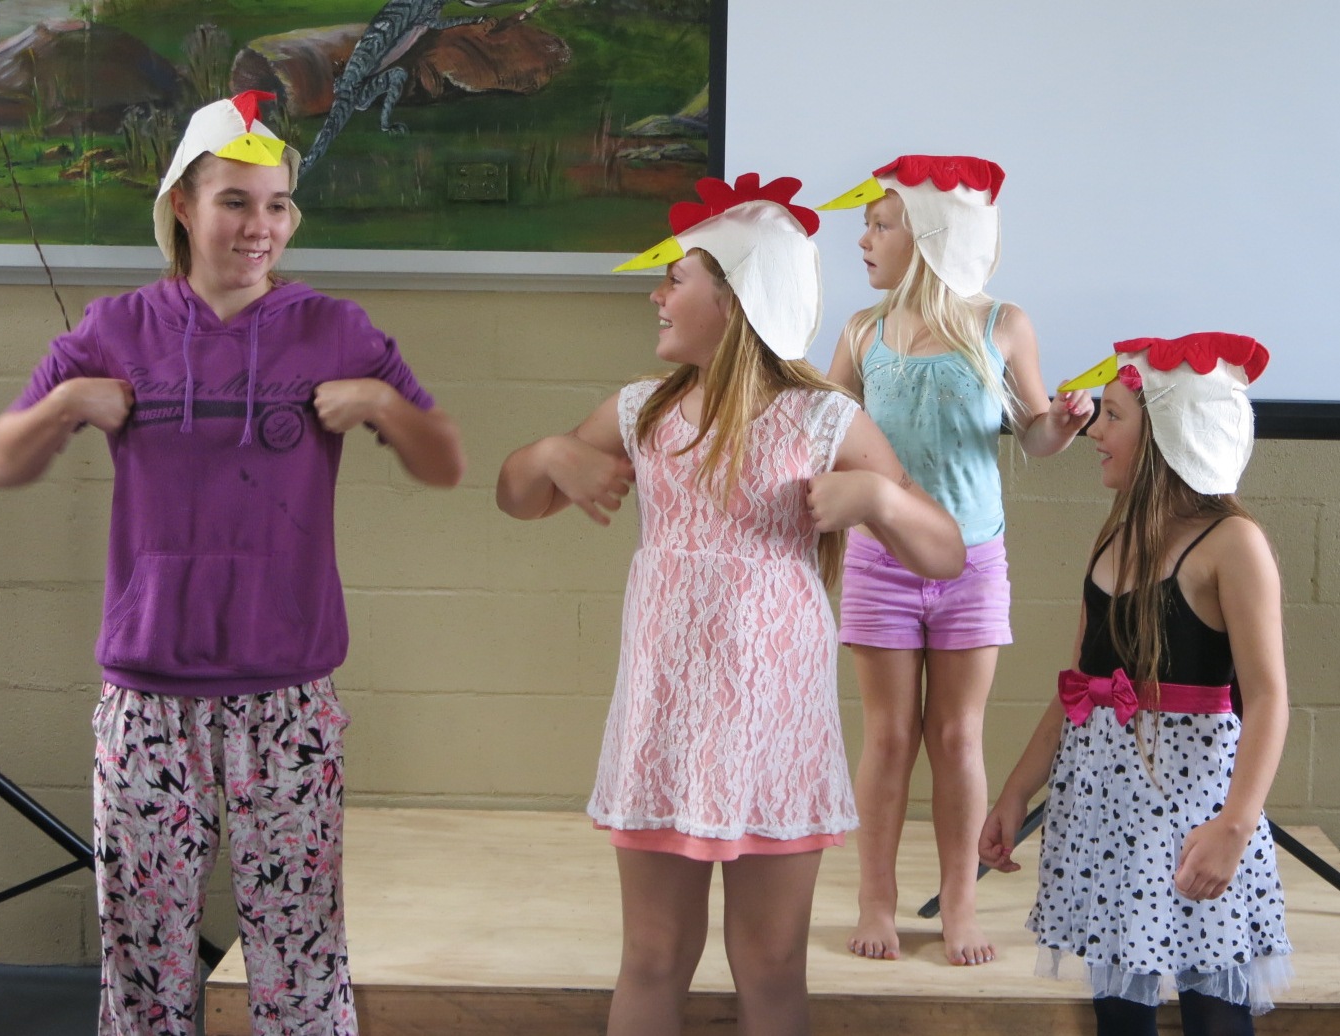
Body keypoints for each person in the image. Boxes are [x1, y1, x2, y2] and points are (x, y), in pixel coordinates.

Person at [0, 90, 465, 1036]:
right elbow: (4, 459)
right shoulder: (116, 324)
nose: (259, 226)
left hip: (289, 694)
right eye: (235, 201)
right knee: (142, 953)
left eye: (277, 204)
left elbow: (443, 461)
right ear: (182, 206)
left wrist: (380, 402)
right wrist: (69, 403)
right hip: (147, 693)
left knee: (300, 950)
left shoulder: (333, 327)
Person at [496, 173, 965, 1036]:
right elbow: (516, 497)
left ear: (736, 299)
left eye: (674, 279)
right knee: (652, 956)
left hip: (774, 734)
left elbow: (943, 555)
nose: (656, 294)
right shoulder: (643, 412)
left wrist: (880, 500)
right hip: (665, 729)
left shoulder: (823, 420)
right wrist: (550, 453)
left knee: (772, 963)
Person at [816, 155, 1093, 965]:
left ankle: (959, 908)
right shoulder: (861, 331)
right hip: (879, 562)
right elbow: (825, 430)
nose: (863, 240)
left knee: (956, 738)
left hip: (972, 564)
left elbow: (1034, 434)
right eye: (867, 225)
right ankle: (875, 901)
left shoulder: (1002, 324)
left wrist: (1061, 425)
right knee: (888, 739)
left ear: (933, 238)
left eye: (880, 225)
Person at [979, 334, 1292, 1035]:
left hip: (1197, 818)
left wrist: (1235, 824)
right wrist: (1015, 792)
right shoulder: (1111, 539)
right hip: (1108, 817)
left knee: (1215, 1010)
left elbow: (1269, 698)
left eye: (1113, 416)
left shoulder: (1231, 544)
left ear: (1168, 434)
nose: (1094, 430)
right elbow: (1079, 689)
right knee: (1119, 1011)